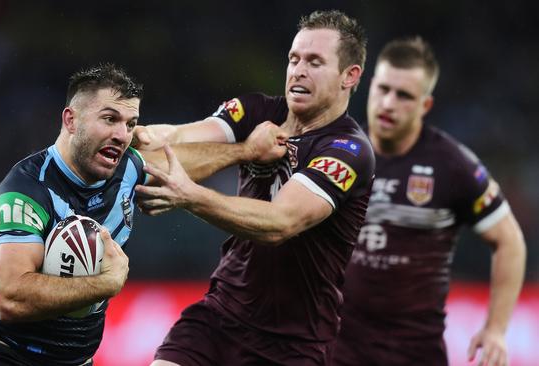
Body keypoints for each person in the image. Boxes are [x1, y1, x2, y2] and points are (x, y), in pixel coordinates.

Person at [0, 63, 287, 365]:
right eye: (109, 119)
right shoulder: (26, 192)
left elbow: (177, 165)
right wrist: (105, 283)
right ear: (71, 120)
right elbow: (10, 299)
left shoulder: (125, 168)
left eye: (131, 124)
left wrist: (246, 151)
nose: (122, 134)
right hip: (3, 357)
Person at [133, 10, 374, 366]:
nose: (298, 70)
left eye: (315, 61)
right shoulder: (257, 111)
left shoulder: (348, 151)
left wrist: (190, 196)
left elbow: (280, 223)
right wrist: (147, 136)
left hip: (292, 344)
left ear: (349, 76)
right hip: (218, 317)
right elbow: (176, 142)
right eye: (294, 58)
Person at [332, 37, 527, 366]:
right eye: (383, 89)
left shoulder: (453, 165)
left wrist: (495, 329)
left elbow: (510, 241)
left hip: (413, 354)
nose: (388, 103)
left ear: (425, 106)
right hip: (336, 351)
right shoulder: (339, 153)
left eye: (404, 95)